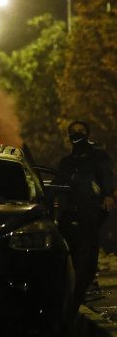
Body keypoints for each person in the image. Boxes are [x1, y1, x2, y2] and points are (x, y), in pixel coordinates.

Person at [57, 120, 115, 305]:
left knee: (88, 246)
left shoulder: (97, 156)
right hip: (71, 211)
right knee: (73, 248)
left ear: (87, 133)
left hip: (91, 208)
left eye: (80, 131)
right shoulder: (67, 162)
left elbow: (106, 175)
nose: (76, 135)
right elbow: (61, 184)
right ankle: (78, 285)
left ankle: (88, 283)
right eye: (73, 132)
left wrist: (107, 195)